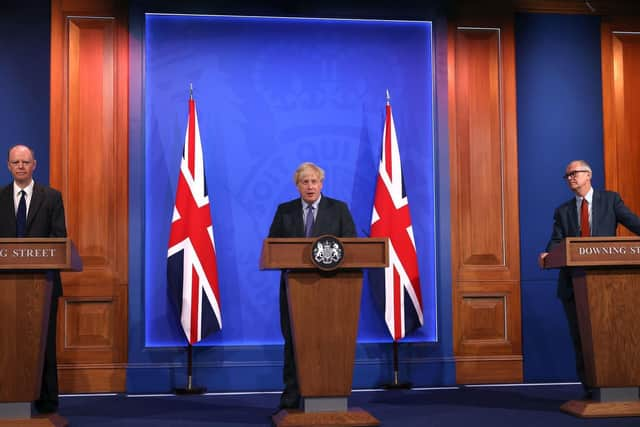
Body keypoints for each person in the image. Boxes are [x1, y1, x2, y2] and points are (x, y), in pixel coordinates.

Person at [538, 159, 640, 399]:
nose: (571, 178)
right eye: (567, 176)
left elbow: (634, 223)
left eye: (574, 173)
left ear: (588, 175)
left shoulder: (611, 200)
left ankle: (622, 387)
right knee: (581, 338)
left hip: (611, 286)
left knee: (616, 336)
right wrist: (548, 254)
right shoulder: (562, 211)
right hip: (574, 286)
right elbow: (557, 240)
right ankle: (591, 388)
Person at [268, 162, 356, 411]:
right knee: (293, 343)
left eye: (314, 181)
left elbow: (351, 246)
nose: (310, 186)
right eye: (304, 181)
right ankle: (292, 398)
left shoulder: (338, 209)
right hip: (294, 290)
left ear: (322, 184)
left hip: (332, 292)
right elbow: (273, 247)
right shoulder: (284, 211)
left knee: (330, 342)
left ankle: (330, 397)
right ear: (297, 186)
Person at [0, 144, 67, 414]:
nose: (20, 166)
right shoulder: (0, 198)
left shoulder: (51, 198)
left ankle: (47, 403)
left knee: (44, 345)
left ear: (34, 165)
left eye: (25, 162)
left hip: (43, 286)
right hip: (5, 288)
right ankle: (6, 400)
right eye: (15, 162)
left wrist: (30, 254)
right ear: (8, 166)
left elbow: (59, 237)